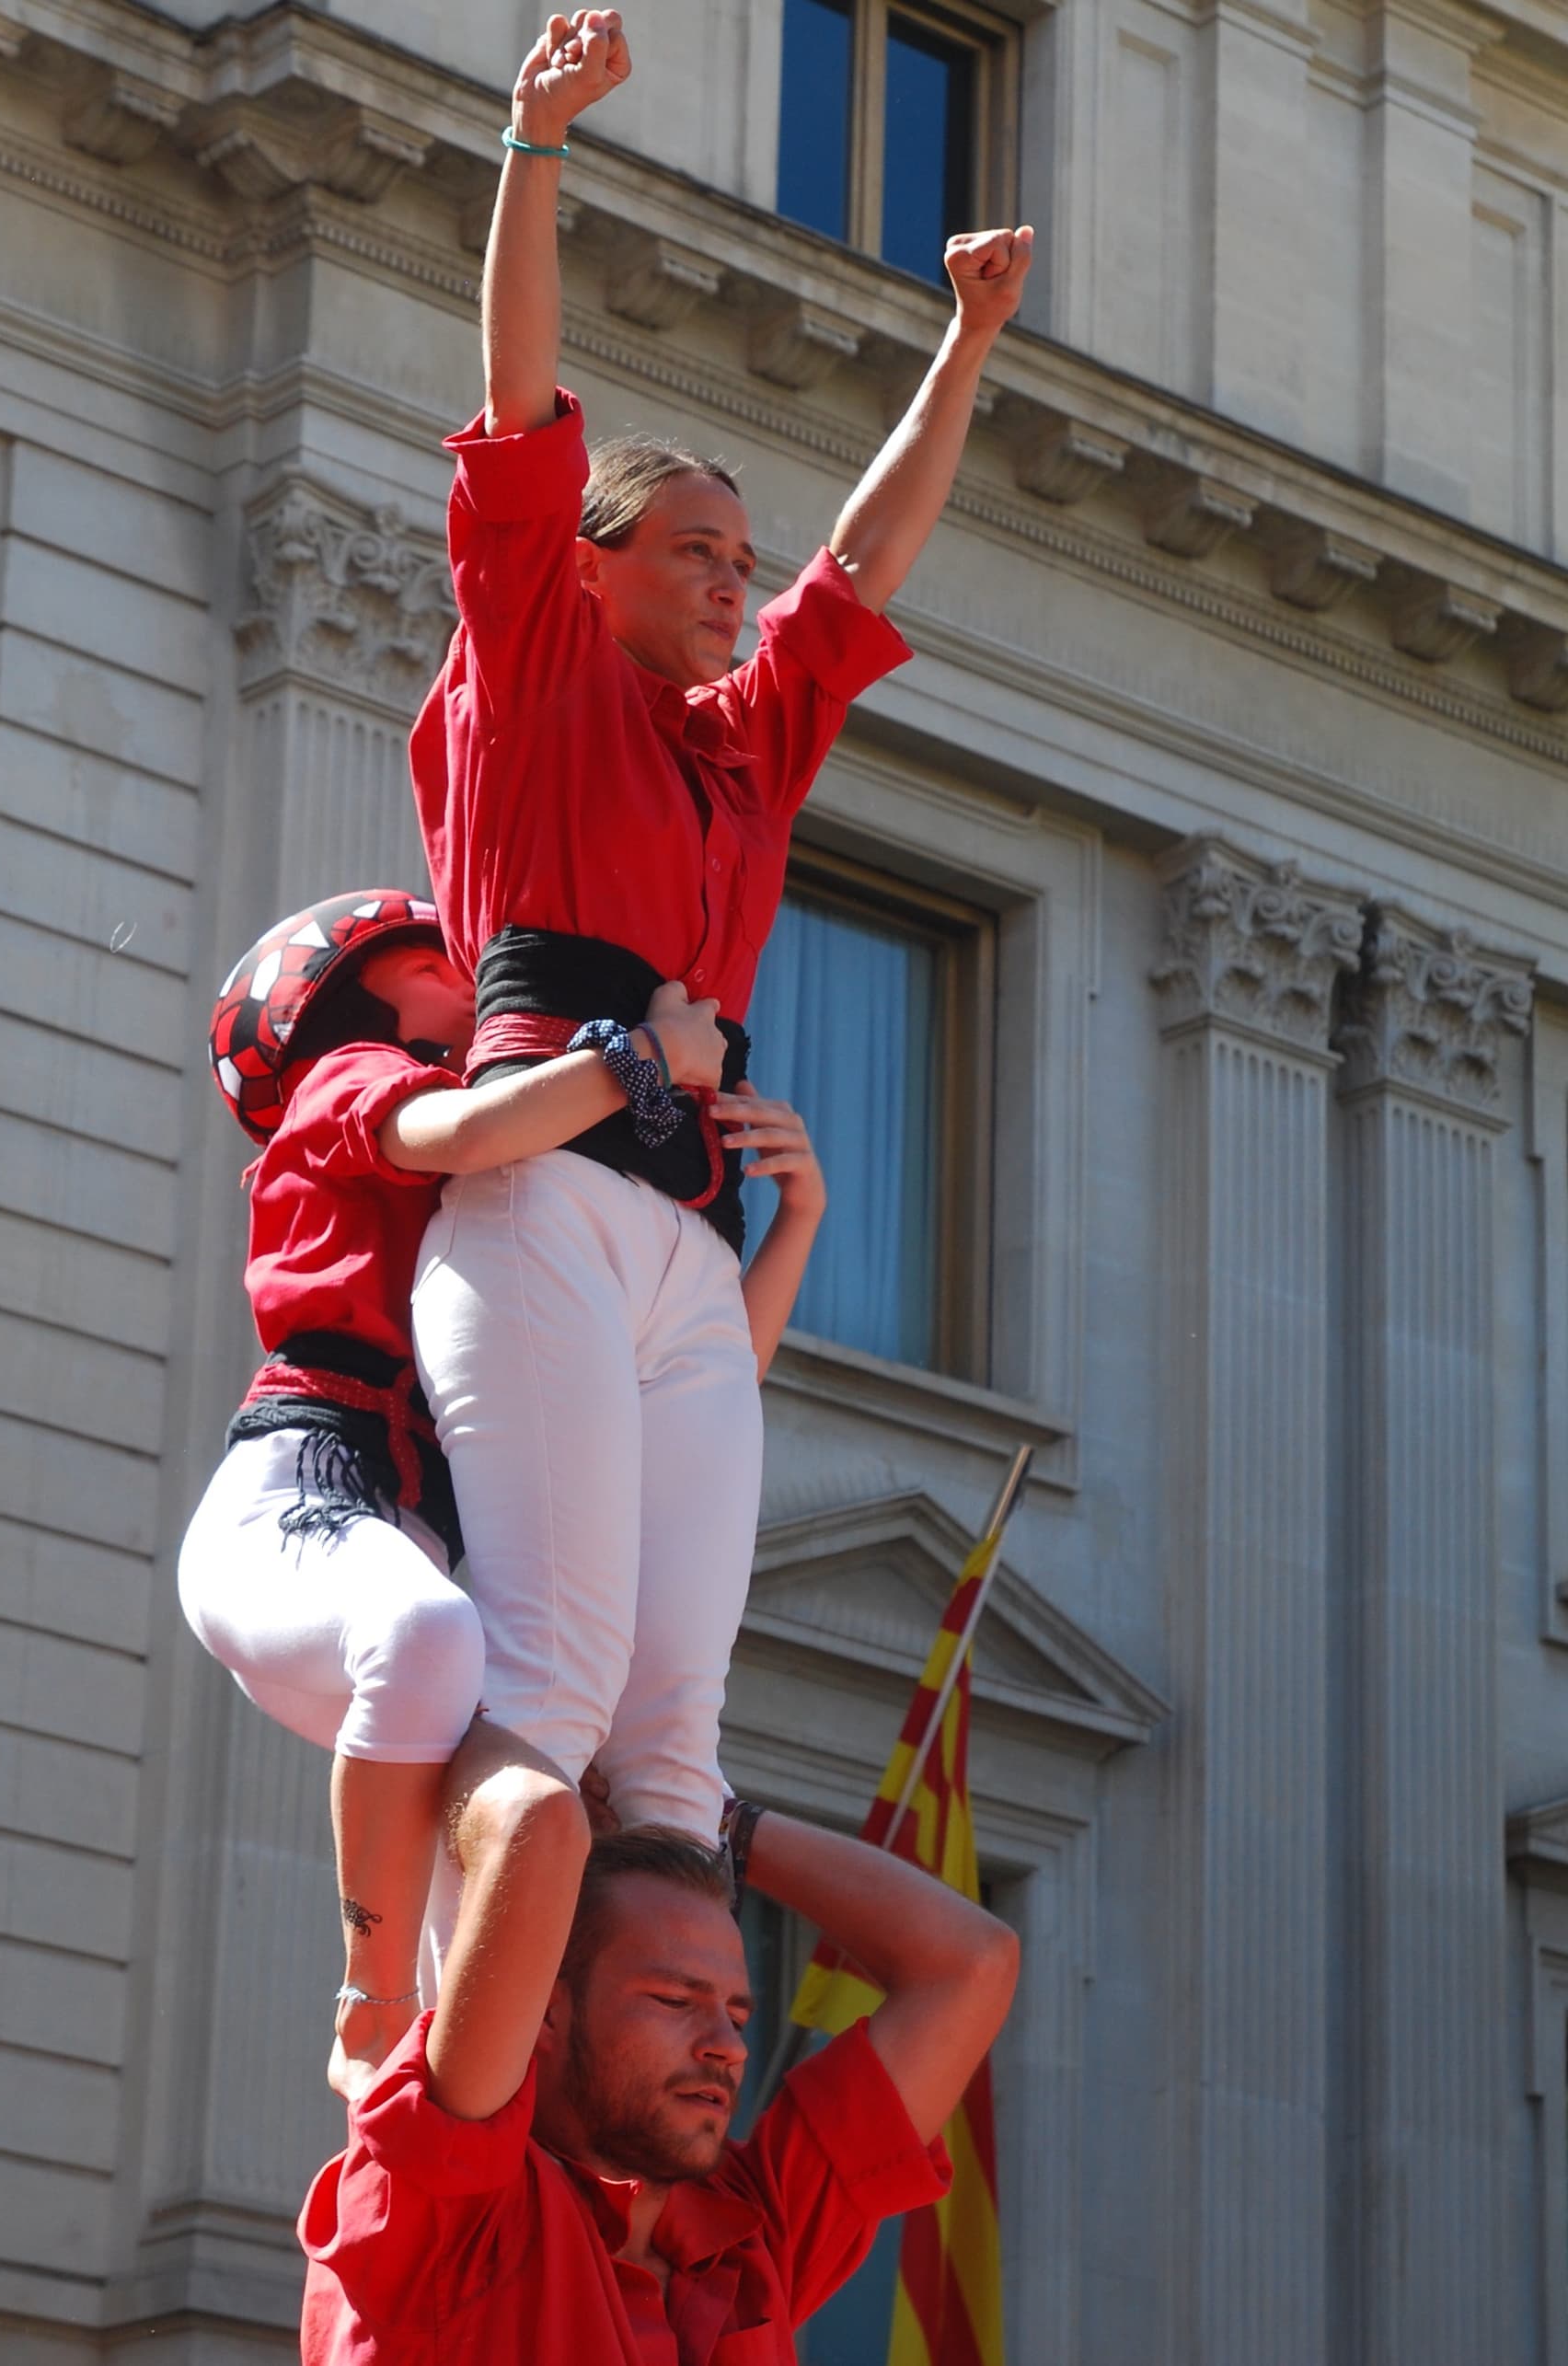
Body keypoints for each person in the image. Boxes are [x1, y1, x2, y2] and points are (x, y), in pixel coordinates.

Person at [409, 6, 1039, 1863]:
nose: (731, 583)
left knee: (678, 1726)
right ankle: (453, 2068)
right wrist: (538, 144)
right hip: (550, 1171)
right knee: (555, 1669)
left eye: (737, 564)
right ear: (587, 565)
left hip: (693, 1230)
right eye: (693, 551)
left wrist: (968, 341)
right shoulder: (532, 667)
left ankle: (638, 2096)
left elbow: (870, 557)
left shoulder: (746, 741)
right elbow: (520, 402)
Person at [178, 890, 834, 2096]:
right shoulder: (352, 1080)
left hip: (397, 1536)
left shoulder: (519, 1164)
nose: (474, 970)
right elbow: (473, 1134)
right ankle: (373, 2009)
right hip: (296, 1494)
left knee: (491, 1778)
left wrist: (794, 1217)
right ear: (356, 997)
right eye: (441, 955)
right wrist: (646, 1060)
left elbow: (697, 1390)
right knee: (439, 1646)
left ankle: (490, 2088)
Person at [297, 1726, 1020, 2363]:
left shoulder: (746, 2238)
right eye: (676, 2001)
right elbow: (535, 1823)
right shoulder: (456, 2214)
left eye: (738, 2014)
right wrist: (501, 1722)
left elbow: (971, 1965)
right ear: (544, 2013)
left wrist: (726, 1823)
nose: (729, 2047)